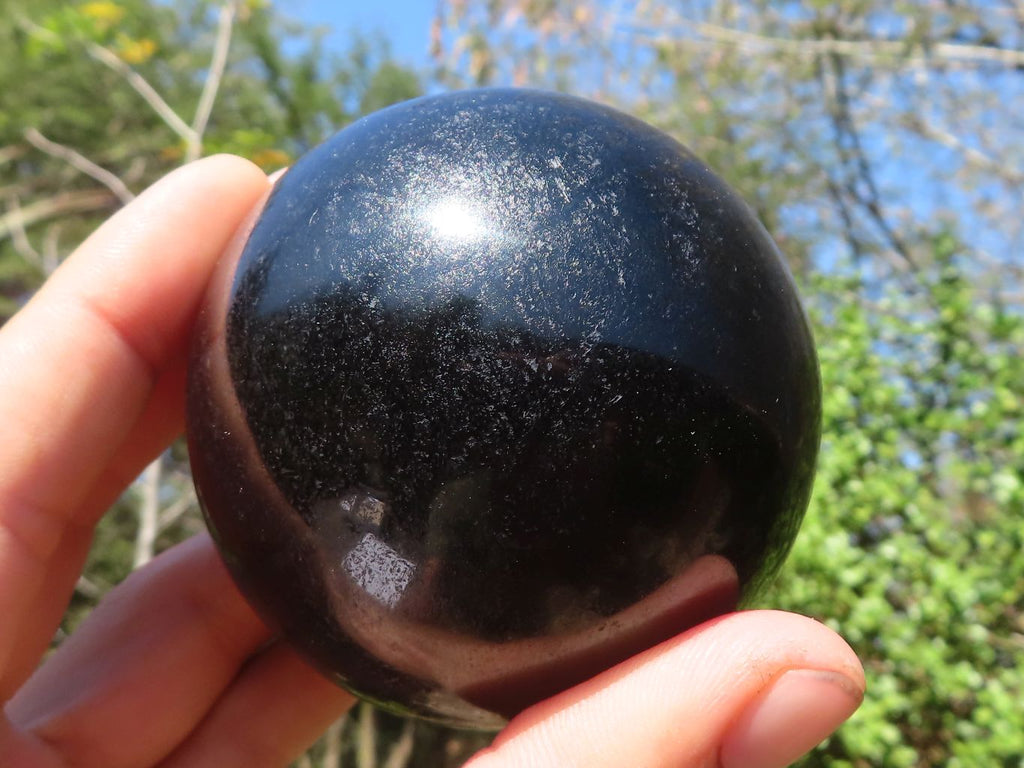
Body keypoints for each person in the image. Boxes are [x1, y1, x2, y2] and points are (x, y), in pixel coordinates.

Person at [0, 156, 864, 768]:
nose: (543, 384)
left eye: (561, 373)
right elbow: (376, 558)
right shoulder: (375, 526)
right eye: (520, 359)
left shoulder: (684, 456)